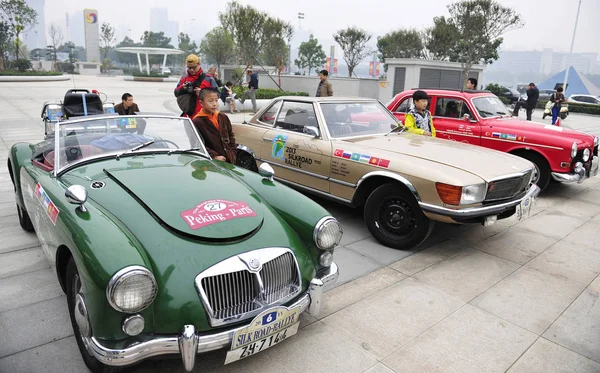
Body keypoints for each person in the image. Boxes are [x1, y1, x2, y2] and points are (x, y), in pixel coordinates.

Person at [192, 89, 237, 164]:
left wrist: (232, 152)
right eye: (210, 101)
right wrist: (213, 156)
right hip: (211, 162)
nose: (214, 104)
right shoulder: (197, 121)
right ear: (201, 103)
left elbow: (230, 135)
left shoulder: (222, 116)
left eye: (216, 100)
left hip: (229, 159)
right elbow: (196, 143)